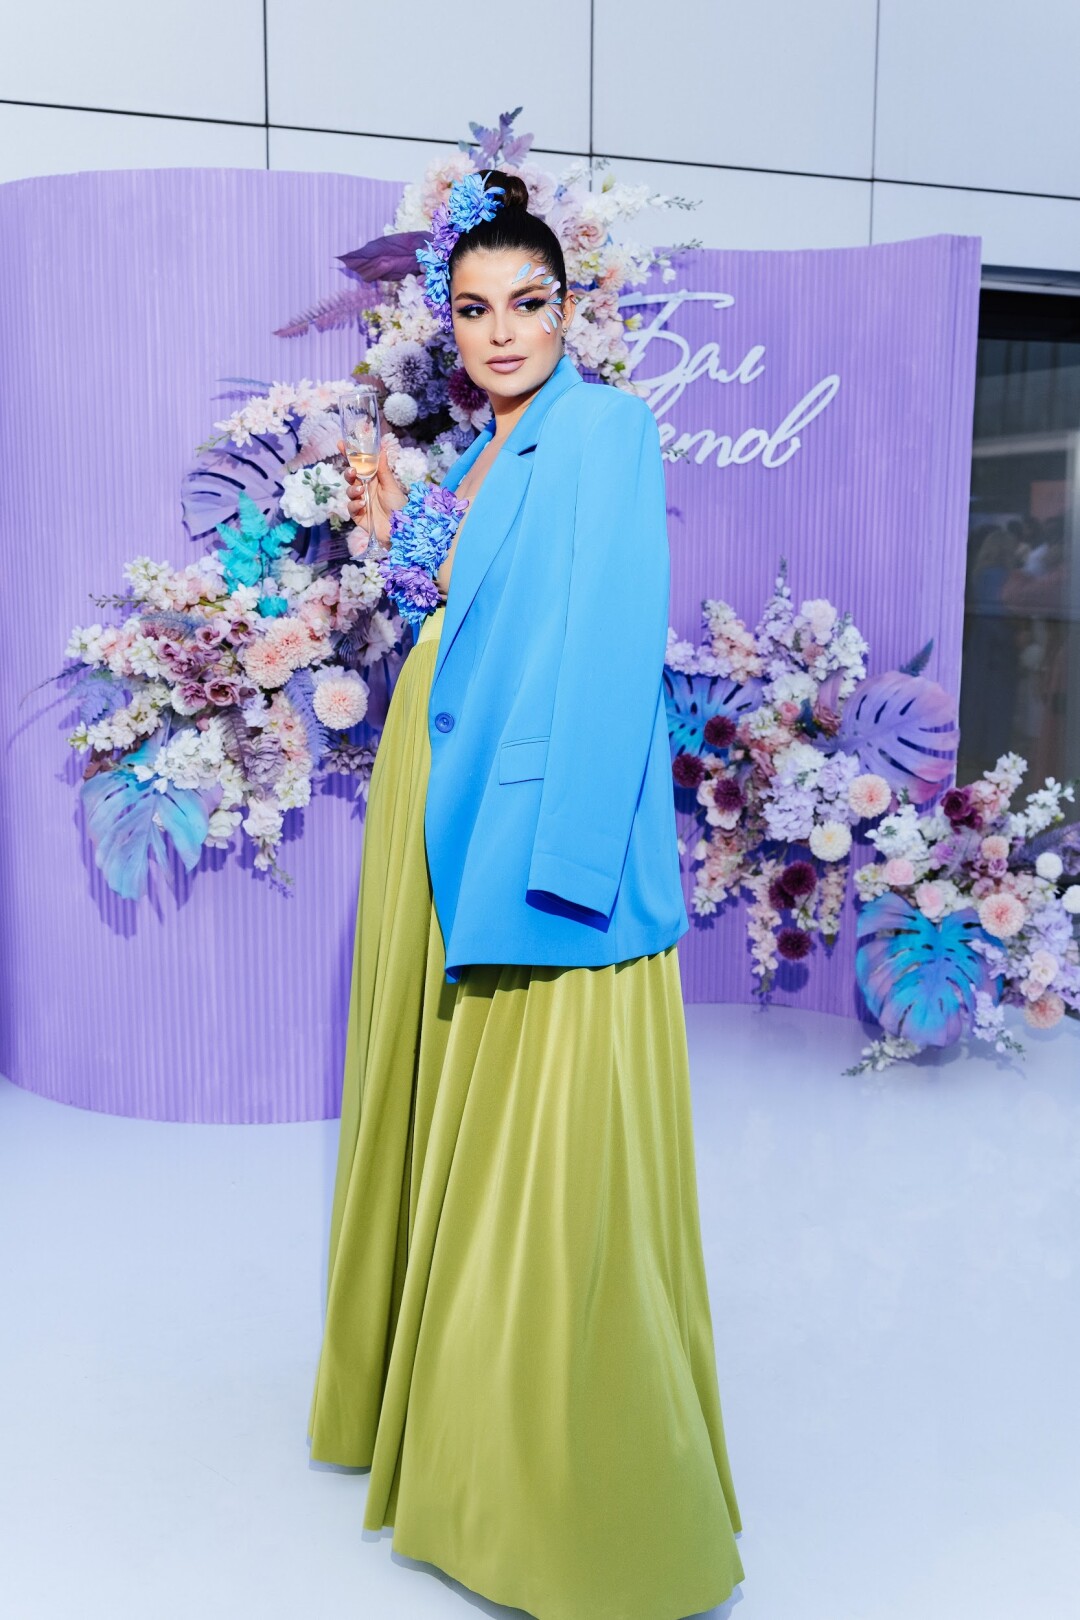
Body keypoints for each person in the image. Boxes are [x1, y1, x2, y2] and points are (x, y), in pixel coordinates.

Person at [307, 168, 744, 1620]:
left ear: (571, 309)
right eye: (475, 307)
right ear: (449, 321)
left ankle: (556, 1491)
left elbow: (612, 643)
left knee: (545, 1154)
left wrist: (566, 865)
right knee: (444, 1113)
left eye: (528, 303)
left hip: (536, 822)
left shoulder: (605, 429)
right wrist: (399, 536)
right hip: (434, 803)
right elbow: (455, 620)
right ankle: (436, 1414)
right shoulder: (470, 454)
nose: (501, 330)